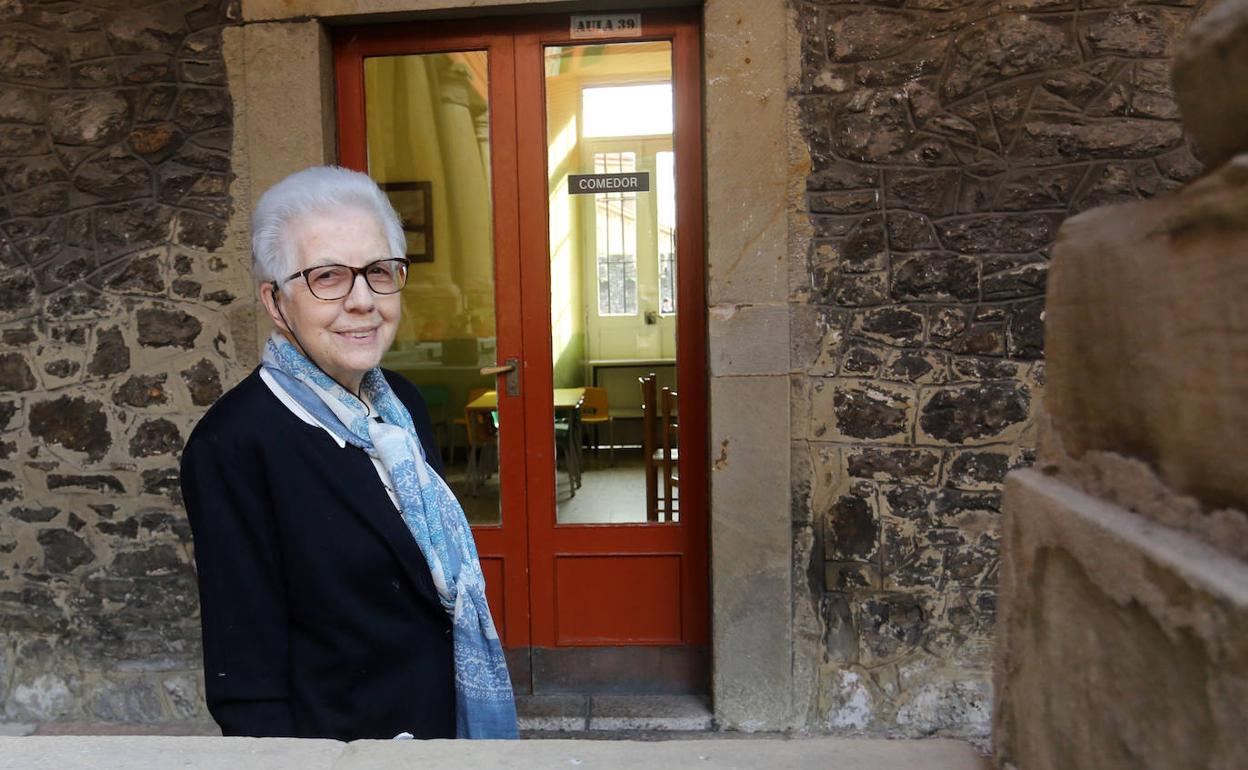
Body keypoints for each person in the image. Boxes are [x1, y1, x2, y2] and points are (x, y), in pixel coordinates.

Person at [180, 166, 516, 740]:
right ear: (276, 301)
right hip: (339, 750)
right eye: (328, 277)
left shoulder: (401, 406)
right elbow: (246, 680)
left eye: (379, 271)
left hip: (442, 737)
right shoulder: (233, 444)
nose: (363, 300)